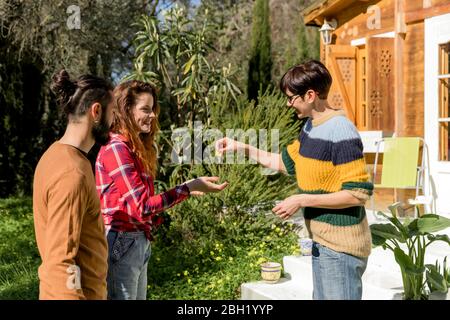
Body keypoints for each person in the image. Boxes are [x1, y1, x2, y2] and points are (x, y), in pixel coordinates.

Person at [215, 60, 373, 300]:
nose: (288, 104)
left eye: (291, 98)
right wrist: (240, 146)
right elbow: (284, 162)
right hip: (322, 243)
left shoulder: (341, 130)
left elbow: (358, 193)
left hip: (342, 249)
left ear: (310, 95)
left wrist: (301, 199)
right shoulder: (311, 127)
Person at [95, 80, 228, 300]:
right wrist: (187, 188)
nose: (153, 115)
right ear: (126, 109)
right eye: (145, 109)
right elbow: (142, 207)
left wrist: (187, 188)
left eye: (153, 109)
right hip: (122, 240)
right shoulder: (117, 147)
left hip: (136, 240)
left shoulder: (133, 146)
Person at [33, 69, 114, 299]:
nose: (114, 121)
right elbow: (60, 262)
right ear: (96, 111)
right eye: (113, 112)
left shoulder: (58, 155)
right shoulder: (72, 173)